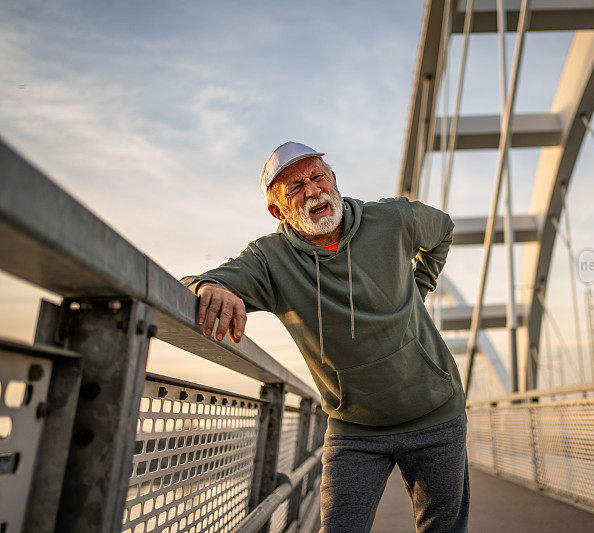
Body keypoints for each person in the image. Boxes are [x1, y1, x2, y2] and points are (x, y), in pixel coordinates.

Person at [181, 141, 469, 532]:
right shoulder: (270, 259)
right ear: (276, 210)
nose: (312, 190)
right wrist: (206, 288)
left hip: (435, 412)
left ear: (333, 179)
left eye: (317, 177)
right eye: (295, 188)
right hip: (354, 431)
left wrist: (419, 286)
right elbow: (196, 284)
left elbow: (443, 230)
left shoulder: (394, 218)